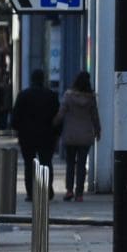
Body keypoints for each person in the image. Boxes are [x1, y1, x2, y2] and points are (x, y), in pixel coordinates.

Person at [11, 69, 60, 201]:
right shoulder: (51, 95)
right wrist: (56, 133)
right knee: (46, 162)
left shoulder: (23, 95)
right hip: (46, 134)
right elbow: (57, 116)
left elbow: (15, 117)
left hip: (27, 135)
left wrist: (17, 129)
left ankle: (31, 192)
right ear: (43, 79)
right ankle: (46, 190)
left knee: (29, 164)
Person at [54, 71, 100, 201]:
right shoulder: (90, 98)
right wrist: (98, 131)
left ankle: (69, 190)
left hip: (70, 135)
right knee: (81, 165)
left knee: (70, 163)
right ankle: (79, 193)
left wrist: (53, 124)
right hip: (85, 135)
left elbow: (61, 113)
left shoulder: (68, 96)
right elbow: (95, 116)